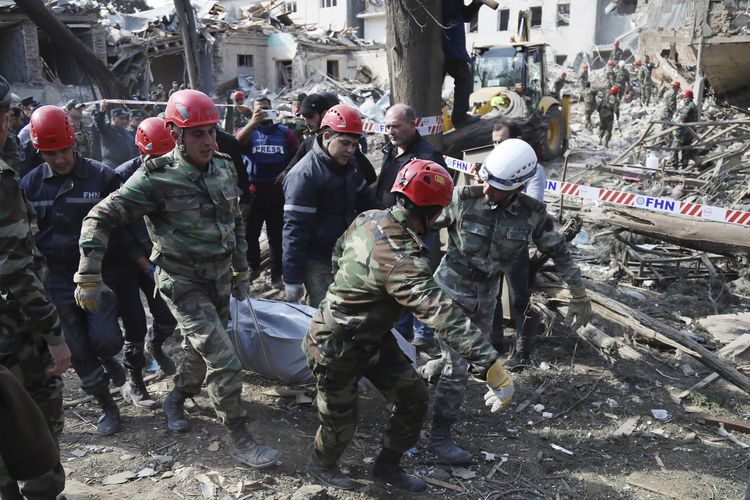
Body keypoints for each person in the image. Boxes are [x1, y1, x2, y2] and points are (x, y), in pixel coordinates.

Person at [75, 89, 281, 469]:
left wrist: (240, 268)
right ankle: (240, 438)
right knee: (224, 359)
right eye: (196, 133)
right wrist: (88, 272)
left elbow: (234, 220)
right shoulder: (155, 178)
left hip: (217, 279)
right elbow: (100, 216)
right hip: (182, 282)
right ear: (175, 134)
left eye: (211, 132)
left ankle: (176, 396)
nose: (207, 141)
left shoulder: (222, 166)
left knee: (199, 355)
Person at [303, 159, 514, 492]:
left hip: (370, 338)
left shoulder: (369, 218)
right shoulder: (403, 258)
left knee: (414, 397)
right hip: (336, 344)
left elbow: (337, 255)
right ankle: (321, 466)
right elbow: (443, 313)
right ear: (431, 212)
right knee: (340, 424)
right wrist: (491, 365)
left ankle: (387, 468)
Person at [419, 140, 590, 464]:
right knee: (458, 367)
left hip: (487, 298)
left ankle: (426, 373)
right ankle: (439, 439)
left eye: (495, 187)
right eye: (484, 181)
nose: (486, 190)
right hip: (449, 293)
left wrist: (579, 293)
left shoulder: (532, 215)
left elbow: (559, 251)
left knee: (469, 358)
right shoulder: (462, 199)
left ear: (518, 187)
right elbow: (418, 223)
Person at [20, 105, 130, 436]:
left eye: (63, 150)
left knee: (107, 340)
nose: (59, 159)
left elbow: (123, 230)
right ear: (39, 151)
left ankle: (110, 358)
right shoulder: (28, 185)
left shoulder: (103, 177)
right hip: (54, 278)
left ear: (75, 142)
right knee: (77, 349)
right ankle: (107, 407)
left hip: (97, 274)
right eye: (49, 153)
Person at [0, 74, 71, 500]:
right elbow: (15, 270)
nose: (11, 118)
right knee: (38, 415)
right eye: (6, 112)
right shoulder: (5, 181)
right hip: (14, 328)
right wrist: (55, 336)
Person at [282, 104, 378, 308]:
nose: (350, 150)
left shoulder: (350, 166)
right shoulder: (304, 176)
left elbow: (368, 204)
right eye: (344, 143)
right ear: (326, 136)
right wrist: (292, 279)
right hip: (316, 258)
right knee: (325, 316)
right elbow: (294, 231)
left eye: (355, 144)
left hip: (347, 253)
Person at [114, 117, 179, 402]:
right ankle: (135, 381)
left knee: (167, 318)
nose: (162, 163)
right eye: (155, 158)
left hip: (158, 258)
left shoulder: (178, 171)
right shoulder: (119, 178)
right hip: (125, 262)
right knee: (134, 325)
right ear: (141, 152)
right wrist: (146, 266)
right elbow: (118, 230)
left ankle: (157, 344)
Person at [375, 103, 447, 349]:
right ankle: (401, 330)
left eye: (396, 126)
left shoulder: (428, 156)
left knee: (417, 283)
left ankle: (424, 336)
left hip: (415, 231)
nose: (391, 131)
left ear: (413, 125)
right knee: (395, 283)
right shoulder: (390, 150)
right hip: (388, 228)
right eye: (387, 127)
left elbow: (440, 196)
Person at [235, 96, 299, 286]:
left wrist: (286, 172)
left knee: (277, 236)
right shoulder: (247, 132)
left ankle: (277, 275)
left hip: (278, 194)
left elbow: (298, 156)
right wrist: (253, 122)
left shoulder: (284, 133)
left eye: (266, 109)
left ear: (273, 110)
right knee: (249, 235)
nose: (263, 112)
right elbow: (236, 144)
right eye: (259, 110)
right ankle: (253, 269)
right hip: (253, 194)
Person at [280, 93, 376, 185]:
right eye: (305, 117)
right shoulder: (308, 143)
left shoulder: (347, 146)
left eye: (310, 116)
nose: (307, 123)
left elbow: (369, 177)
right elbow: (291, 171)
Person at [442, 0, 486, 128]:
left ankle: (459, 116)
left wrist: (476, 4)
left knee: (465, 74)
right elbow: (447, 11)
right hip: (448, 45)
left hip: (454, 45)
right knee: (464, 74)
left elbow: (465, 16)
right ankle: (460, 117)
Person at [94, 101, 138, 167]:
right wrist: (102, 111)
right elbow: (99, 123)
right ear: (113, 118)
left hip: (125, 164)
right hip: (111, 165)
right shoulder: (107, 129)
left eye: (124, 118)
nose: (124, 121)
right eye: (121, 118)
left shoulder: (125, 131)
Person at [671, 89, 698, 168]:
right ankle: (684, 165)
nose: (684, 99)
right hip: (690, 131)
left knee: (674, 148)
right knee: (686, 148)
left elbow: (683, 117)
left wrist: (678, 124)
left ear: (690, 97)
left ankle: (674, 165)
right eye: (683, 97)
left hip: (684, 131)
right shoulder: (693, 105)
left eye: (685, 97)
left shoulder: (689, 106)